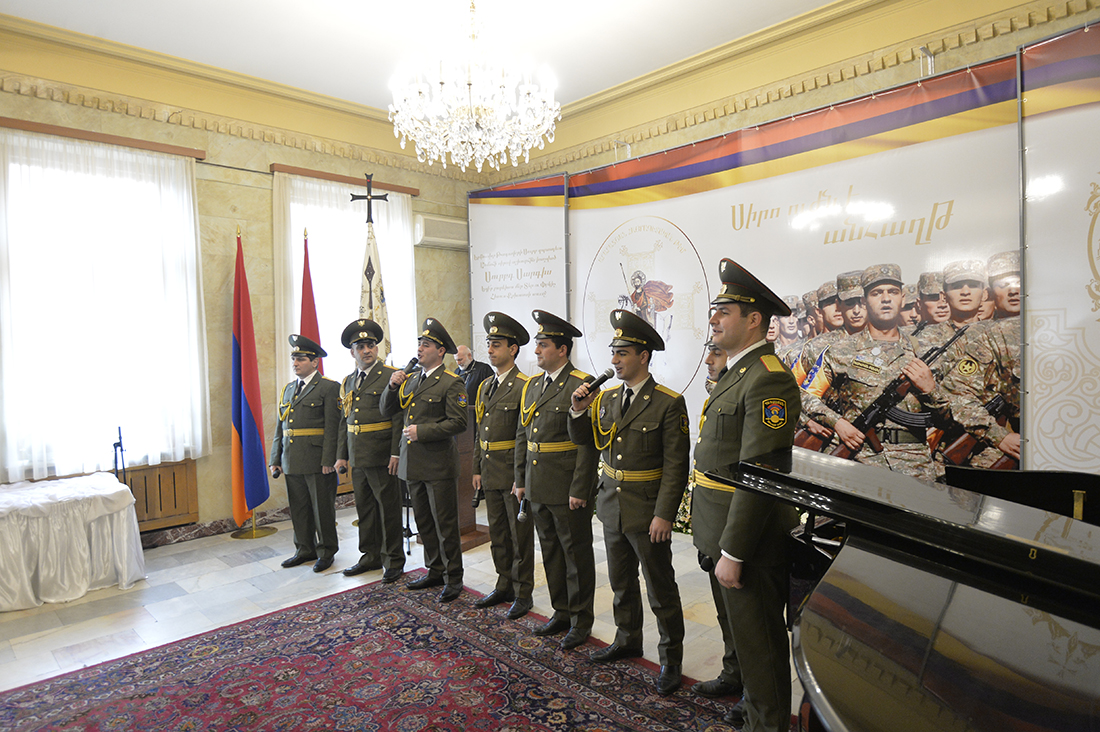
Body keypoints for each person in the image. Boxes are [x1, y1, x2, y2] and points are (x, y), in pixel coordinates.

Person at [690, 258, 800, 732]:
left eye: (724, 311)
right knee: (743, 639)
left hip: (748, 541)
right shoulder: (738, 371)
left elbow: (760, 474)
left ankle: (767, 723)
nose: (713, 318)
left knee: (761, 648)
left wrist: (733, 552)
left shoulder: (767, 377)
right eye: (714, 311)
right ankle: (751, 707)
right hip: (721, 528)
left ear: (754, 319)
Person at [569, 309, 690, 696]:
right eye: (613, 352)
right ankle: (627, 639)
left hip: (647, 510)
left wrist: (664, 515)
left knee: (660, 589)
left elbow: (676, 466)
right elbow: (585, 441)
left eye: (622, 353)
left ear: (643, 356)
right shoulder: (605, 399)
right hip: (611, 506)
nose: (615, 360)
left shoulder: (668, 403)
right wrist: (577, 409)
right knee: (621, 582)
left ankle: (671, 658)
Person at [800, 264, 955, 481]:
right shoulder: (841, 351)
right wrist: (837, 422)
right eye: (876, 293)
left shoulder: (925, 351)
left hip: (914, 464)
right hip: (859, 460)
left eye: (892, 292)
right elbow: (802, 395)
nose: (886, 299)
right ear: (864, 302)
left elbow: (950, 420)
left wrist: (930, 390)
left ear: (902, 298)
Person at [514, 310, 599, 651]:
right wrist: (521, 479)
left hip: (566, 486)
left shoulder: (582, 383)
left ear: (562, 350)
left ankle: (580, 620)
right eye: (537, 344)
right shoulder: (533, 385)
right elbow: (523, 435)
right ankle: (561, 611)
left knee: (575, 555)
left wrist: (580, 488)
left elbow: (589, 444)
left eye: (544, 345)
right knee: (550, 552)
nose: (536, 350)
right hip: (538, 483)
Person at [380, 318, 468, 602]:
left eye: (426, 345)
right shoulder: (412, 379)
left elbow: (459, 422)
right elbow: (387, 410)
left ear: (441, 351)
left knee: (444, 524)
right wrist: (391, 386)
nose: (420, 349)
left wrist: (423, 431)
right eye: (419, 344)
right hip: (413, 464)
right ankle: (435, 570)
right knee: (424, 523)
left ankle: (453, 577)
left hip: (438, 465)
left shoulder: (452, 382)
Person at [472, 312, 535, 620]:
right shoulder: (486, 385)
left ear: (513, 349)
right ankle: (503, 584)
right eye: (489, 344)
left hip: (511, 472)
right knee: (498, 533)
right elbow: (480, 431)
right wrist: (476, 468)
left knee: (519, 536)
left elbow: (526, 436)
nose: (490, 350)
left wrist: (520, 476)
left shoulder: (524, 386)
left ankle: (523, 593)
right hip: (490, 470)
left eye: (496, 345)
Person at [334, 319, 405, 583]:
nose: (367, 351)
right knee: (365, 509)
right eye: (361, 347)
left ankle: (393, 560)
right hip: (358, 455)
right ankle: (370, 556)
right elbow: (345, 420)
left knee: (388, 509)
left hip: (382, 454)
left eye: (371, 345)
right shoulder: (348, 381)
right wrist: (342, 455)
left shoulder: (391, 376)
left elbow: (398, 418)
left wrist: (396, 453)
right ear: (352, 352)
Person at [269, 334, 342, 572]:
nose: (295, 363)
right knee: (299, 508)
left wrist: (329, 459)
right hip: (291, 459)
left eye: (300, 359)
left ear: (314, 362)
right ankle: (304, 549)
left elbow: (333, 427)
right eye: (294, 359)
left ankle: (326, 551)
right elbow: (281, 427)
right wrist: (275, 458)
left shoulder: (329, 387)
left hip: (317, 459)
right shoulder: (288, 389)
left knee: (322, 509)